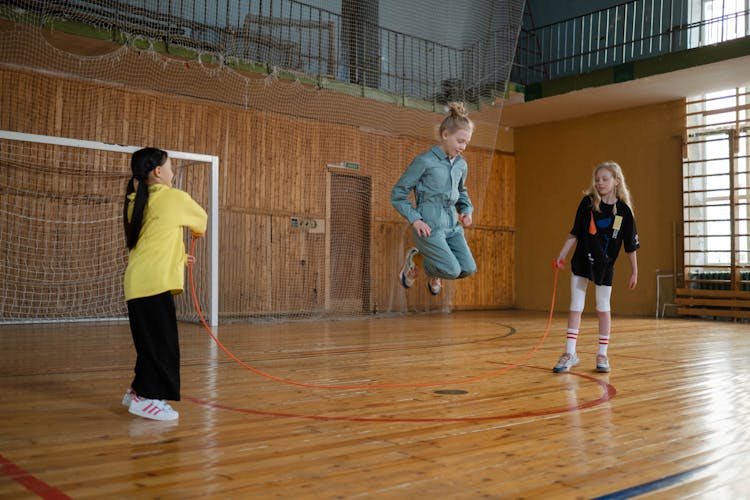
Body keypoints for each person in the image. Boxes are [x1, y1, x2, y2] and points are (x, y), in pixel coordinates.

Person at [120, 147, 207, 421]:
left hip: (137, 284)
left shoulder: (136, 201)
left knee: (150, 344)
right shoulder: (174, 198)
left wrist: (178, 256)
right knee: (163, 346)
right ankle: (148, 399)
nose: (173, 171)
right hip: (154, 284)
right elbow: (201, 221)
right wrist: (194, 231)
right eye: (170, 166)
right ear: (158, 171)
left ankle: (137, 392)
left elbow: (154, 238)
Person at [552, 161, 639, 373]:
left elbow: (630, 246)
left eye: (605, 179)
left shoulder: (624, 213)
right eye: (597, 179)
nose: (600, 182)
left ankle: (602, 354)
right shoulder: (587, 204)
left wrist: (634, 270)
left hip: (605, 266)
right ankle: (569, 354)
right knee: (576, 307)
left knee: (602, 308)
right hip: (582, 262)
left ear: (616, 181)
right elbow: (575, 232)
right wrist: (562, 254)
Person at [391, 102, 477, 296]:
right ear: (446, 135)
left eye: (466, 142)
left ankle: (424, 261)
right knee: (452, 270)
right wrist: (416, 219)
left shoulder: (461, 165)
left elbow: (462, 192)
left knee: (468, 269)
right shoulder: (424, 161)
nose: (463, 147)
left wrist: (466, 210)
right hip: (430, 227)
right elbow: (398, 194)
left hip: (452, 226)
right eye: (460, 141)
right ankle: (419, 263)